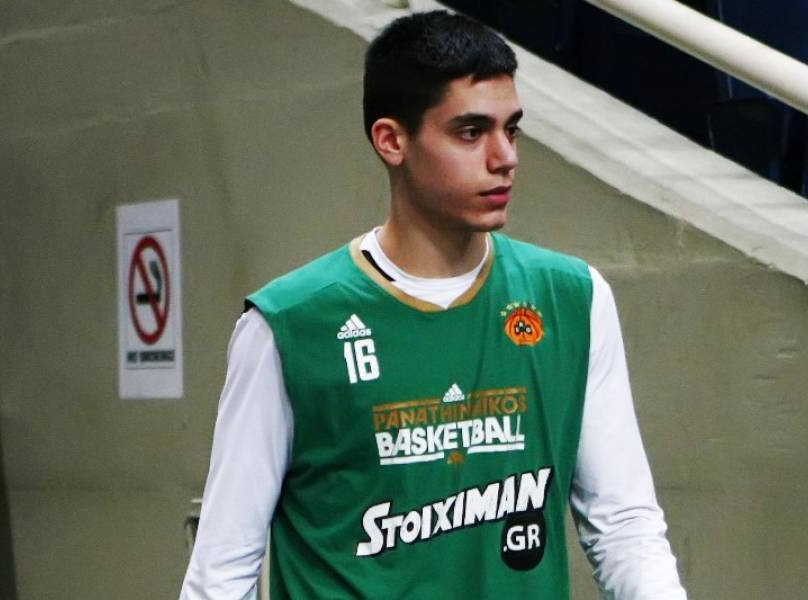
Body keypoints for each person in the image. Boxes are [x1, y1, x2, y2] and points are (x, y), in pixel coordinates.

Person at [181, 10, 686, 600]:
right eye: (471, 132)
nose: (505, 156)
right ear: (392, 141)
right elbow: (221, 572)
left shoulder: (574, 298)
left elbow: (624, 526)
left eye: (511, 129)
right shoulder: (290, 325)